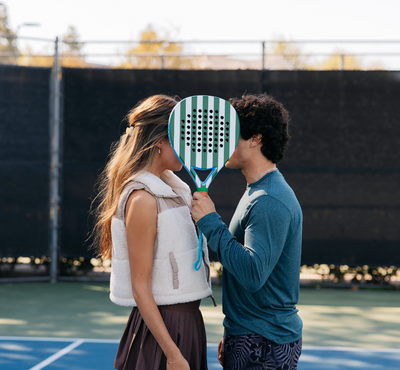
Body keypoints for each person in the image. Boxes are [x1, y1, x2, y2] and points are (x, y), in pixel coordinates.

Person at [92, 94, 213, 370]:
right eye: (183, 137)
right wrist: (172, 354)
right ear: (160, 140)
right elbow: (140, 288)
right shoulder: (143, 199)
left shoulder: (176, 192)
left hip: (187, 324)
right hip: (162, 332)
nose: (189, 145)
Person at [191, 93, 303, 370]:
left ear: (256, 138)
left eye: (231, 134)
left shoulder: (267, 200)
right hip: (252, 336)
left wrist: (210, 222)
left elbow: (253, 274)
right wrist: (235, 333)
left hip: (263, 342)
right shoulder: (259, 191)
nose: (222, 142)